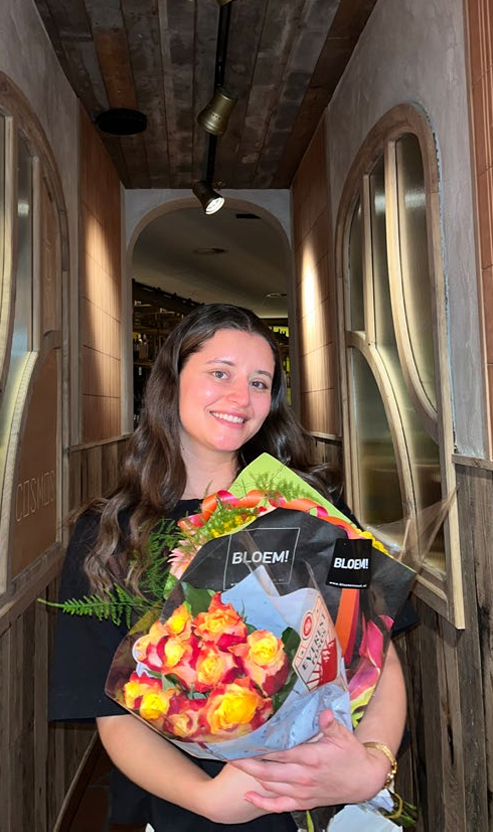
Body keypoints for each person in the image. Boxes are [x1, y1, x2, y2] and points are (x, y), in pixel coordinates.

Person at [49, 304, 407, 831]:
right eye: (220, 373)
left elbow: (379, 650)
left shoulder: (311, 510)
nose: (241, 398)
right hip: (190, 809)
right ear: (171, 383)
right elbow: (113, 714)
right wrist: (208, 798)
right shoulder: (109, 534)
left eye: (259, 382)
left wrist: (372, 765)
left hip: (329, 800)